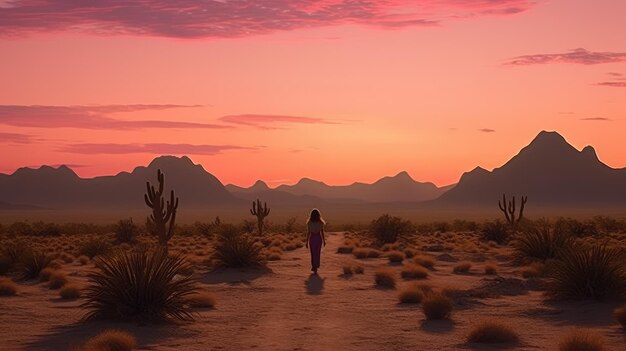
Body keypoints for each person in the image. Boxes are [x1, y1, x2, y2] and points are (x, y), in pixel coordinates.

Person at [305, 208, 326, 274]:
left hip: (312, 238)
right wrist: (324, 240)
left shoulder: (309, 223)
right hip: (318, 238)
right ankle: (316, 266)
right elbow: (322, 232)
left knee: (313, 253)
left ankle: (314, 266)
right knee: (317, 253)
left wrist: (306, 241)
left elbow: (308, 232)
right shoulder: (321, 223)